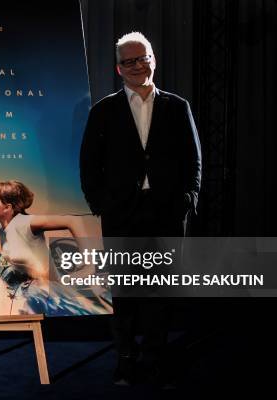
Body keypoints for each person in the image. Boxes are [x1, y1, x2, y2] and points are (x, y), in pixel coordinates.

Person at [79, 32, 201, 386]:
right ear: (119, 69)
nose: (137, 66)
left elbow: (194, 160)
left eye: (142, 58)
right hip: (121, 214)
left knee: (160, 292)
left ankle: (155, 358)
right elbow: (89, 163)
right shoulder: (103, 110)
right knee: (126, 292)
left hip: (166, 213)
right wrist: (99, 204)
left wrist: (188, 200)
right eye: (129, 61)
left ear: (153, 59)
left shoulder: (178, 107)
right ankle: (126, 360)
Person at [0, 180, 110, 316]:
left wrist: (89, 265)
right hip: (29, 295)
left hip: (53, 297)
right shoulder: (1, 227)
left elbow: (74, 220)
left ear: (7, 207)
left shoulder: (25, 222)